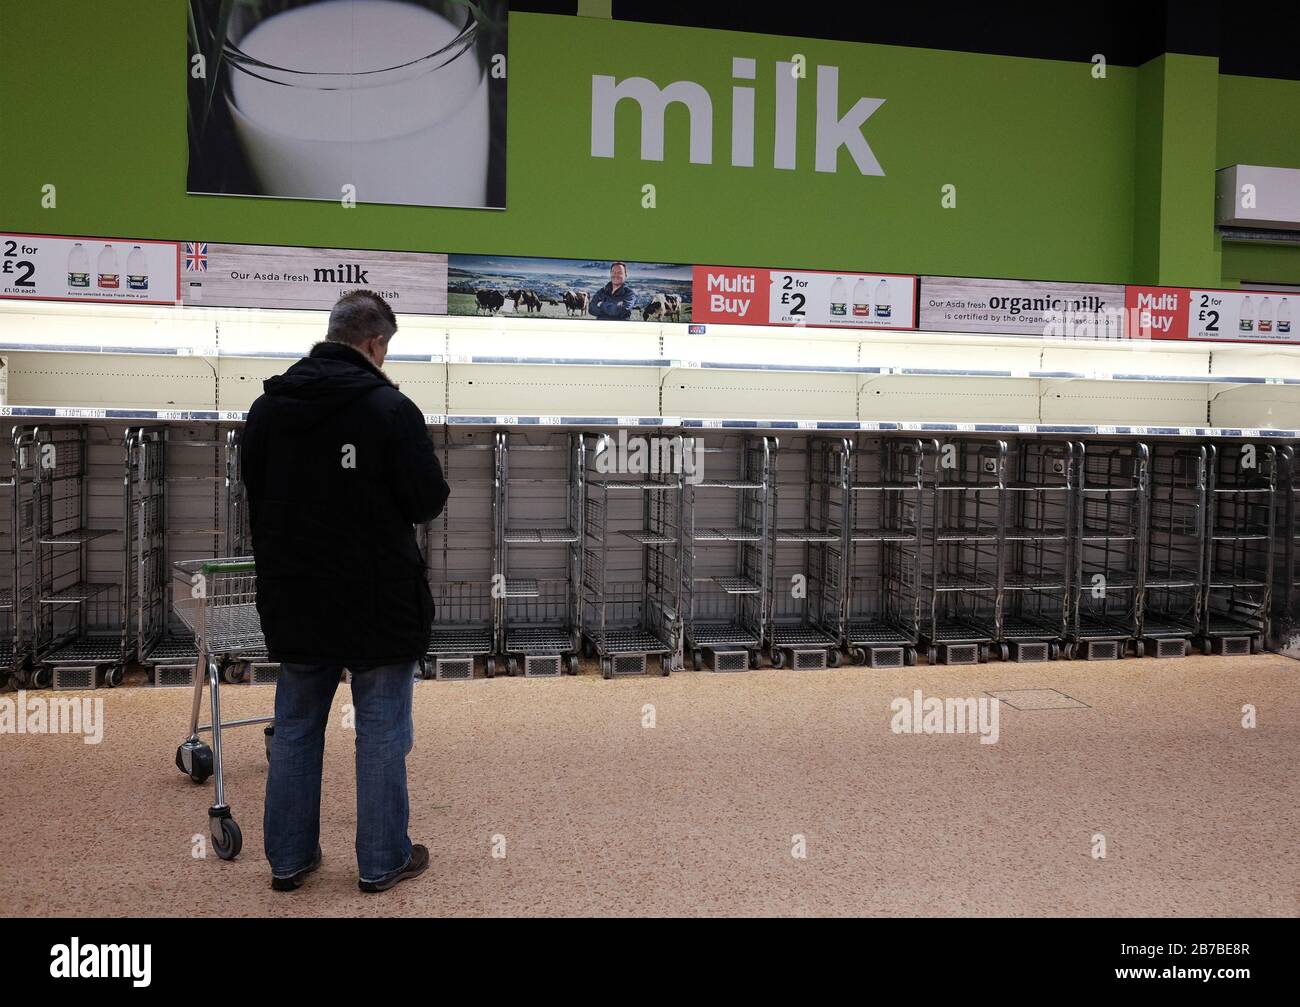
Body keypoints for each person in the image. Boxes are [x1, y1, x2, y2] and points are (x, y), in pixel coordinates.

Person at [242, 289, 450, 894]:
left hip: (295, 592)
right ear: (374, 343)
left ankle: (288, 860)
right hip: (377, 598)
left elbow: (253, 486)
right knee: (380, 728)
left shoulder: (268, 407)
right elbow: (426, 499)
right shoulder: (389, 408)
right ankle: (382, 860)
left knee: (297, 725)